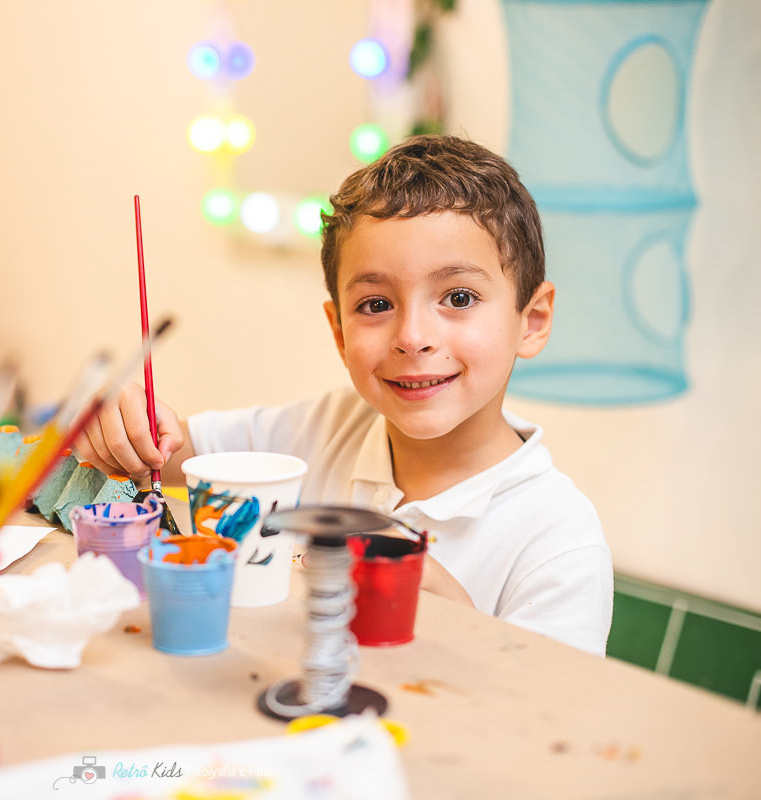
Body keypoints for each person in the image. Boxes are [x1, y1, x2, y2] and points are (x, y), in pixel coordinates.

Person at [75, 135, 613, 656]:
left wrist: (462, 629)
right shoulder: (323, 430)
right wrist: (120, 425)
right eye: (376, 305)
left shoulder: (560, 543)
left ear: (533, 320)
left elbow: (552, 724)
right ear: (338, 331)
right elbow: (166, 455)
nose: (412, 337)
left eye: (458, 296)